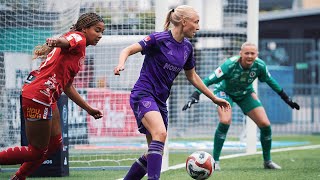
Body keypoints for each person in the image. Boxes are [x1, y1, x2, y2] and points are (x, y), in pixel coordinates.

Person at [114, 5, 230, 180]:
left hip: (160, 101)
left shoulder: (187, 48)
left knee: (153, 151)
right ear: (184, 22)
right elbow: (127, 50)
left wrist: (213, 98)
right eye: (196, 22)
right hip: (144, 94)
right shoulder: (158, 39)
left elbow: (193, 76)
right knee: (160, 134)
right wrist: (121, 63)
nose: (198, 27)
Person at [0, 12, 105, 180]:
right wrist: (56, 42)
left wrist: (89, 109)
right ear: (85, 29)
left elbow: (68, 86)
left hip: (47, 96)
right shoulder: (79, 38)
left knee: (55, 144)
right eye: (97, 30)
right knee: (37, 150)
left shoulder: (78, 46)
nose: (100, 35)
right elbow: (66, 41)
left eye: (102, 32)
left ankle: (18, 177)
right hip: (38, 95)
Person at [182, 42, 300, 171]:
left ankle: (268, 161)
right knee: (225, 121)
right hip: (224, 92)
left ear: (257, 54)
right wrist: (195, 94)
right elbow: (209, 80)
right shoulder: (229, 65)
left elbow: (271, 81)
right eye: (247, 53)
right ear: (241, 54)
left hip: (246, 94)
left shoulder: (260, 65)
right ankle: (215, 161)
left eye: (252, 53)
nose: (249, 56)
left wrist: (286, 98)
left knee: (265, 124)